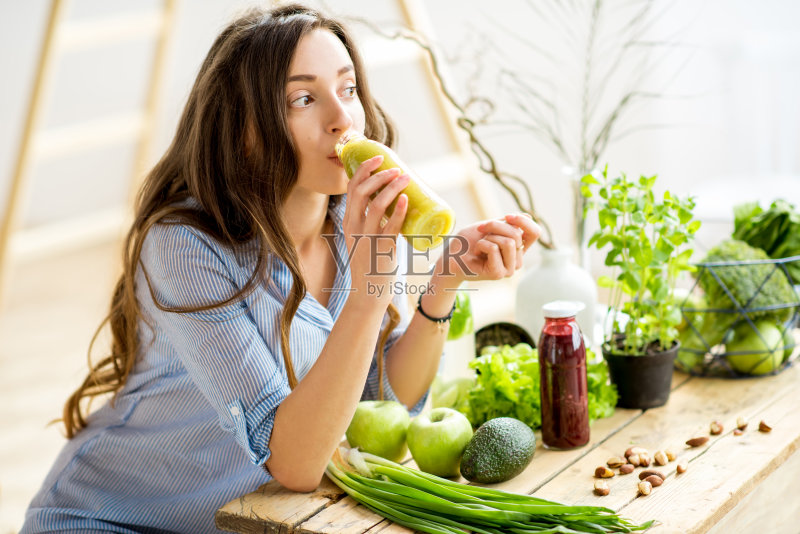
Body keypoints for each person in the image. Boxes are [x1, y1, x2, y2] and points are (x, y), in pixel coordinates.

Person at [21, 4, 539, 533]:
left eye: (349, 88)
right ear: (246, 129)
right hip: (113, 520)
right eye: (304, 98)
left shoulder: (353, 220)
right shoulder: (184, 249)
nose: (342, 118)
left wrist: (441, 282)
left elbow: (380, 405)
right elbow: (294, 463)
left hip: (245, 522)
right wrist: (369, 291)